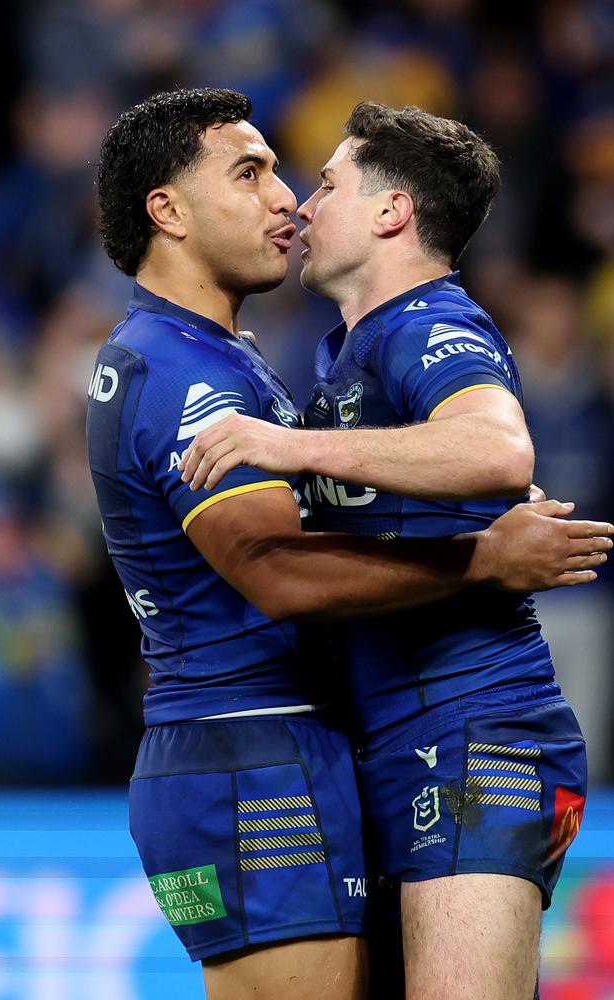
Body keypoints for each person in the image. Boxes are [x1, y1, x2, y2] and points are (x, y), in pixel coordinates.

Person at [89, 89, 611, 1000]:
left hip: (466, 732)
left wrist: (299, 450)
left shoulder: (417, 328)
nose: (294, 199)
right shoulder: (211, 365)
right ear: (167, 212)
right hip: (262, 753)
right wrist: (481, 555)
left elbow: (496, 448)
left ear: (391, 212)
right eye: (255, 174)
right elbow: (275, 569)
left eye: (315, 181)